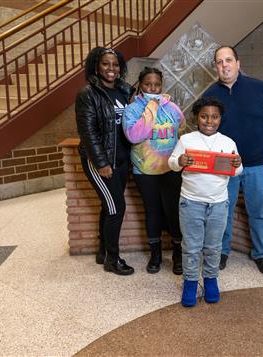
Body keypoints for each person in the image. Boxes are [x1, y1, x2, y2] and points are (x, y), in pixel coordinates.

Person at [203, 46, 263, 274]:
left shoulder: (259, 88)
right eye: (219, 62)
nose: (224, 65)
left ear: (238, 62)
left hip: (256, 163)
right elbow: (204, 127)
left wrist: (258, 141)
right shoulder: (210, 95)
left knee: (258, 209)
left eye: (228, 60)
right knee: (222, 211)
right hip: (224, 164)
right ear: (216, 67)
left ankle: (261, 252)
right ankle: (222, 251)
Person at [168, 97, 243, 307]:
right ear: (196, 118)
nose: (209, 121)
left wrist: (238, 163)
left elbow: (237, 171)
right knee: (191, 247)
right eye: (204, 116)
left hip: (219, 204)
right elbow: (171, 163)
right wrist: (179, 161)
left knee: (213, 246)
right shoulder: (186, 140)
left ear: (220, 119)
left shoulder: (228, 143)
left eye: (214, 117)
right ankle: (190, 282)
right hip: (191, 203)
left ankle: (211, 280)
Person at [75, 47, 135, 275]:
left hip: (121, 161)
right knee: (116, 208)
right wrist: (101, 163)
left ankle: (103, 251)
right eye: (106, 64)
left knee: (109, 206)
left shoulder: (124, 91)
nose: (111, 69)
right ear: (96, 67)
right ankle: (113, 259)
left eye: (116, 64)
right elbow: (88, 132)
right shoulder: (88, 94)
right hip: (101, 162)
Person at [122, 67, 185, 275]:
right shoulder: (132, 109)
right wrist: (151, 106)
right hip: (145, 170)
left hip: (170, 169)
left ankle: (177, 254)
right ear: (140, 85)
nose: (152, 88)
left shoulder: (173, 108)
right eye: (148, 84)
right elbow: (134, 136)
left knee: (174, 211)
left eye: (156, 85)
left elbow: (181, 129)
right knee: (153, 212)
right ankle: (155, 254)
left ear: (162, 85)